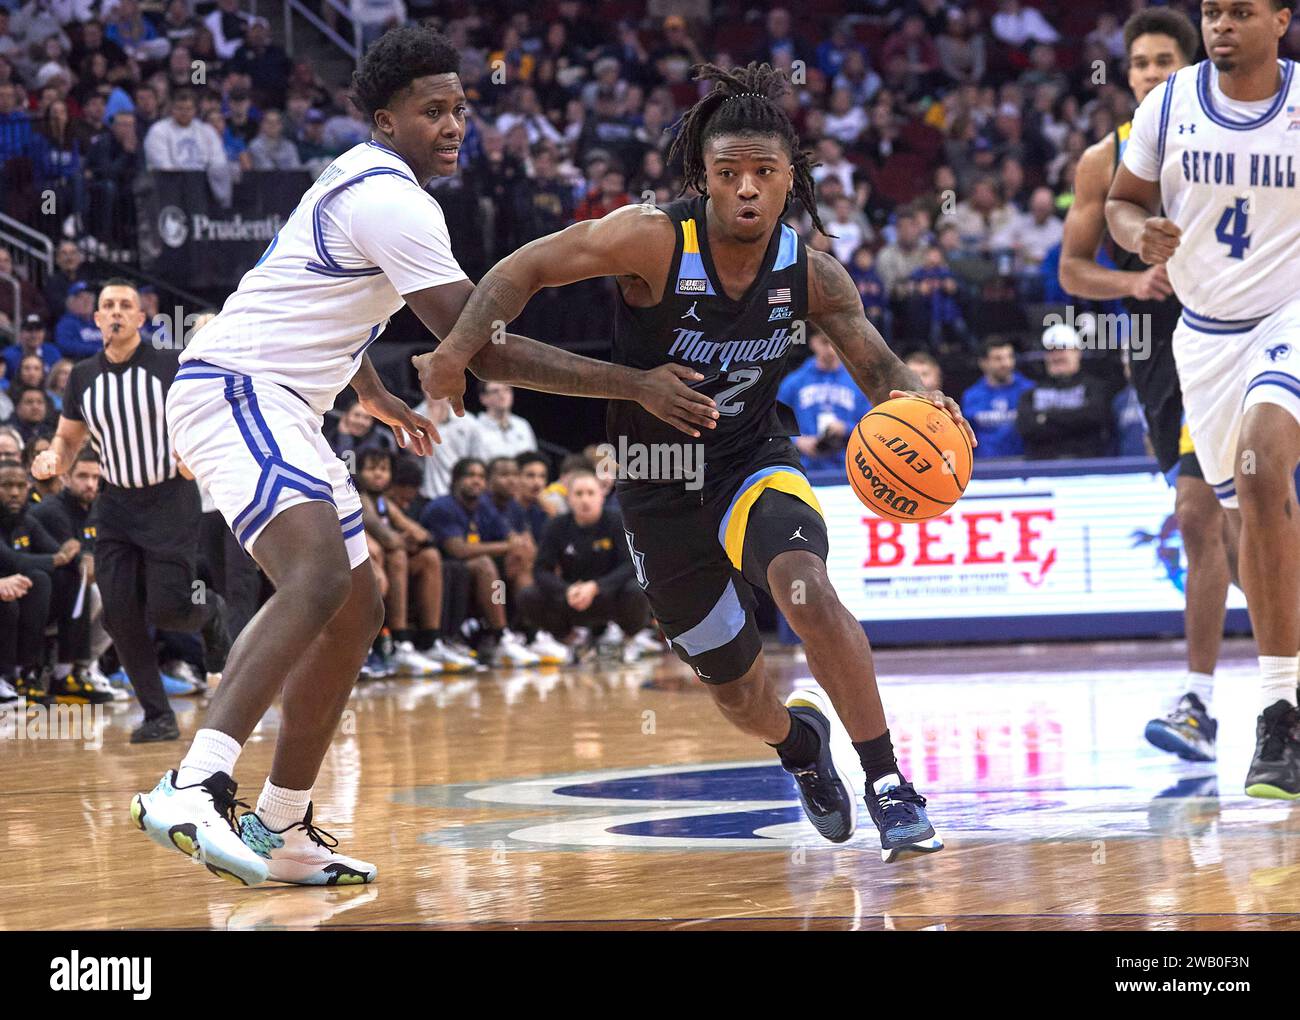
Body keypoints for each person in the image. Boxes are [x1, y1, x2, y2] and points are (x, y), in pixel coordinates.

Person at [128, 25, 715, 889]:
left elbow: (319, 291)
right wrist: (636, 384)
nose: (453, 125)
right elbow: (484, 344)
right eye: (432, 111)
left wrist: (368, 392)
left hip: (294, 401)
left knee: (358, 607)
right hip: (236, 389)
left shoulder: (365, 182)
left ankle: (283, 823)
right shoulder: (395, 200)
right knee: (318, 578)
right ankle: (194, 781)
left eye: (461, 109)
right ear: (384, 119)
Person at [420, 61, 976, 863]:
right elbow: (523, 269)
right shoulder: (651, 236)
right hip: (654, 479)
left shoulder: (812, 273)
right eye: (728, 174)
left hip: (751, 458)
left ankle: (889, 785)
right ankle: (797, 744)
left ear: (793, 180)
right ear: (704, 180)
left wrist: (925, 406)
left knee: (807, 590)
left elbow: (881, 373)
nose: (746, 189)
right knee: (741, 693)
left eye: (763, 172)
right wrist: (460, 349)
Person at [1107, 0, 1300, 798]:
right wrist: (1134, 233)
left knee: (1260, 471)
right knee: (1236, 516)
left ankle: (1278, 713)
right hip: (1203, 335)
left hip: (1288, 315)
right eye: (1212, 11)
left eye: (1240, 11)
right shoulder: (1171, 102)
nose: (1221, 24)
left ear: (1281, 20)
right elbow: (1121, 203)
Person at [1060, 7, 1232, 763]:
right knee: (1232, 528)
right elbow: (1071, 271)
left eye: (1167, 61)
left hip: (1236, 334)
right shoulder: (1104, 159)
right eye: (1141, 63)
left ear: (1190, 69)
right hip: (1158, 351)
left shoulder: (1235, 137)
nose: (1152, 73)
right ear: (1125, 73)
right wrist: (1132, 283)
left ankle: (1199, 700)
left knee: (1202, 515)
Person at [32, 280, 232, 743]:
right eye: (108, 306)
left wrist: (191, 454)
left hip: (168, 499)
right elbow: (69, 438)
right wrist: (54, 460)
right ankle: (158, 715)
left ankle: (213, 614)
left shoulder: (168, 366)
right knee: (120, 613)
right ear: (97, 319)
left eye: (126, 305)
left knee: (169, 607)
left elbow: (202, 416)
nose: (117, 312)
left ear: (141, 319)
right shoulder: (82, 376)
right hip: (116, 504)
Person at [518, 468, 651, 664]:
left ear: (601, 496)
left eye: (590, 493)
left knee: (638, 590)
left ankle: (628, 639)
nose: (584, 500)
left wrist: (596, 587)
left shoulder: (616, 521)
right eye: (578, 494)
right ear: (569, 499)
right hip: (573, 598)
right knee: (528, 595)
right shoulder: (556, 526)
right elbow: (541, 570)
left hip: (610, 595)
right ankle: (571, 641)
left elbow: (630, 565)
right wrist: (567, 590)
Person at [420, 457, 541, 667]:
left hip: (472, 573)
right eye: (470, 475)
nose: (476, 481)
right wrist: (508, 547)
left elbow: (510, 536)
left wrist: (518, 546)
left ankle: (529, 634)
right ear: (456, 480)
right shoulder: (443, 506)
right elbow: (458, 550)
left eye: (481, 477)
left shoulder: (483, 506)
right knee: (485, 564)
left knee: (519, 563)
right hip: (442, 568)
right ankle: (501, 635)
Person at [776, 324, 872, 477]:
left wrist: (845, 428)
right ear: (813, 342)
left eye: (836, 343)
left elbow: (871, 427)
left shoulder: (857, 383)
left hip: (847, 471)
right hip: (804, 469)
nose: (831, 349)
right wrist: (797, 442)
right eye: (825, 342)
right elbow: (775, 425)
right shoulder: (794, 382)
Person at [1016, 323, 1113, 459]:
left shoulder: (1095, 387)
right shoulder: (1030, 393)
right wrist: (1075, 420)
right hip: (1041, 471)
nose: (1056, 356)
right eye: (1050, 351)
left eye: (1062, 349)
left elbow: (1095, 417)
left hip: (1088, 468)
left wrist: (1044, 417)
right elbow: (1026, 427)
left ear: (1077, 352)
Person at [962, 336, 1035, 457]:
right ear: (983, 363)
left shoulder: (1029, 390)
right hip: (985, 466)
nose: (1006, 363)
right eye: (998, 359)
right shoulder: (971, 396)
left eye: (1009, 357)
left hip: (1023, 463)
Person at [475, 380, 536, 459]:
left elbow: (532, 459)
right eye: (495, 391)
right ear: (483, 398)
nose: (502, 395)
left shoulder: (522, 425)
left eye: (506, 389)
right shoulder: (475, 427)